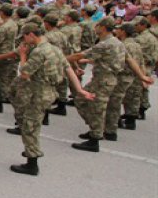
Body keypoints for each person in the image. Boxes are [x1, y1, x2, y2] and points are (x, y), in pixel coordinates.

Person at [11, 23, 94, 175]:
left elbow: (25, 73)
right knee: (32, 123)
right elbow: (68, 69)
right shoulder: (55, 49)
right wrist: (79, 90)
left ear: (31, 34)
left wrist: (23, 56)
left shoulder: (38, 52)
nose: (24, 40)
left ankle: (32, 162)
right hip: (49, 92)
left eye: (24, 36)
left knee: (30, 127)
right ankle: (31, 152)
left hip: (37, 93)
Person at [68, 18, 126, 153]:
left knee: (96, 107)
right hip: (104, 79)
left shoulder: (105, 44)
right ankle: (94, 129)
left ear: (104, 27)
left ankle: (95, 139)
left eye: (98, 25)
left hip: (103, 80)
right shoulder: (117, 42)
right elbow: (107, 59)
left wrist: (61, 58)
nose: (96, 27)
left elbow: (79, 54)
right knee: (81, 98)